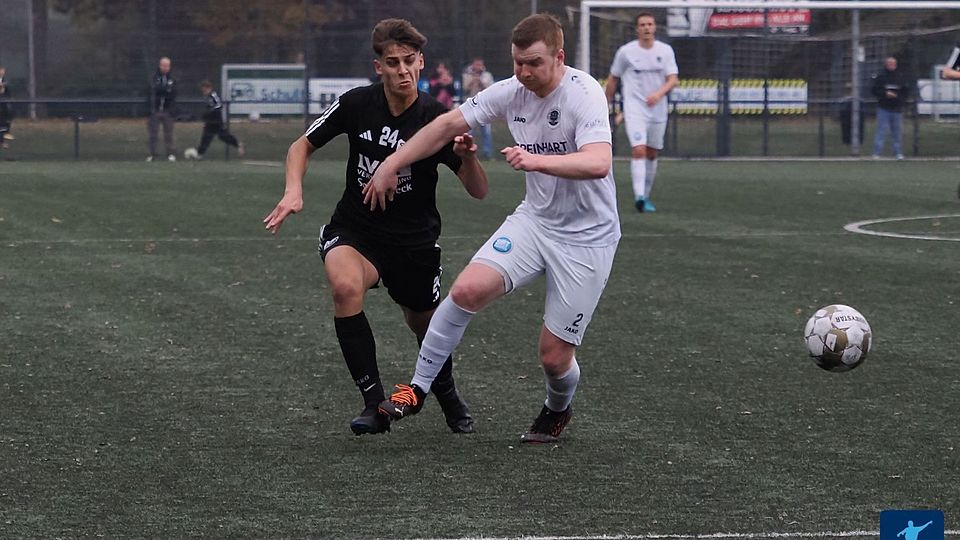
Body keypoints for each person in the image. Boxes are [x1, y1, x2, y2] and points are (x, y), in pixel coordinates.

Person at [368, 13, 621, 444]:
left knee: (554, 358)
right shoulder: (511, 91)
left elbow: (599, 162)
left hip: (587, 238)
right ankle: (417, 389)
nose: (523, 73)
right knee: (465, 291)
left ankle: (556, 410)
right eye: (518, 62)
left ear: (559, 57)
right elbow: (447, 125)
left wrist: (536, 160)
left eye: (534, 63)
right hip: (534, 222)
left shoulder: (585, 94)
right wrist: (392, 162)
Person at [262, 18, 489, 436]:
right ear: (378, 66)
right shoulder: (356, 104)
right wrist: (293, 191)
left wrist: (469, 157)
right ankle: (373, 403)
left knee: (424, 323)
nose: (403, 70)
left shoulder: (439, 119)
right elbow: (301, 146)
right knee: (345, 287)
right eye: (392, 62)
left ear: (421, 63)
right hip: (357, 229)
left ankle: (449, 395)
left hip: (413, 241)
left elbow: (479, 190)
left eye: (409, 61)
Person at [605, 11, 678, 213]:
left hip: (658, 110)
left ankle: (645, 195)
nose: (646, 28)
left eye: (650, 24)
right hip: (634, 109)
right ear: (637, 29)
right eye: (642, 24)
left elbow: (673, 79)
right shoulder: (626, 52)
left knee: (652, 153)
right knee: (639, 150)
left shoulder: (665, 51)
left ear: (654, 27)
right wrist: (604, 104)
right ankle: (638, 197)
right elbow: (613, 78)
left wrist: (658, 94)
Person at [189, 80, 245, 159]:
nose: (203, 91)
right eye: (202, 90)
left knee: (223, 136)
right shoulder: (207, 97)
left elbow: (219, 105)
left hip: (217, 121)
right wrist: (206, 115)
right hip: (210, 121)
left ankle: (238, 144)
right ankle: (200, 154)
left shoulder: (213, 95)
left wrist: (210, 112)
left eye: (205, 89)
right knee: (206, 137)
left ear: (209, 88)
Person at [870, 56, 911, 160]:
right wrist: (885, 93)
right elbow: (874, 90)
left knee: (896, 132)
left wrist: (898, 97)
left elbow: (905, 92)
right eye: (889, 64)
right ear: (886, 64)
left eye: (893, 64)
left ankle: (898, 153)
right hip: (883, 108)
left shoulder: (900, 76)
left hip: (896, 109)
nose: (891, 65)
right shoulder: (881, 76)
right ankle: (877, 153)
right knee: (881, 131)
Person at [462, 57, 495, 159]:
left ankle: (487, 153)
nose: (478, 67)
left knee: (486, 132)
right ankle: (467, 152)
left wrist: (480, 81)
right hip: (470, 107)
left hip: (485, 107)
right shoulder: (466, 75)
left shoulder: (487, 76)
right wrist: (472, 81)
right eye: (476, 64)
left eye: (480, 65)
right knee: (469, 131)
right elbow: (465, 89)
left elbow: (491, 90)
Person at [147, 57, 177, 162]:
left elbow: (173, 91)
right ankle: (152, 154)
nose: (165, 68)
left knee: (169, 133)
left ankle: (170, 154)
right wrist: (165, 89)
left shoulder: (172, 78)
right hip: (155, 110)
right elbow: (155, 89)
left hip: (167, 110)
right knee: (153, 134)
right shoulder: (154, 76)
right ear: (160, 65)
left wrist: (166, 90)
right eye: (163, 65)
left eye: (167, 65)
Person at [0, 67, 13, 149]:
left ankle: (5, 135)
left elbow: (8, 93)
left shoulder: (5, 81)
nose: (2, 72)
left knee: (6, 119)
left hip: (3, 105)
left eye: (3, 71)